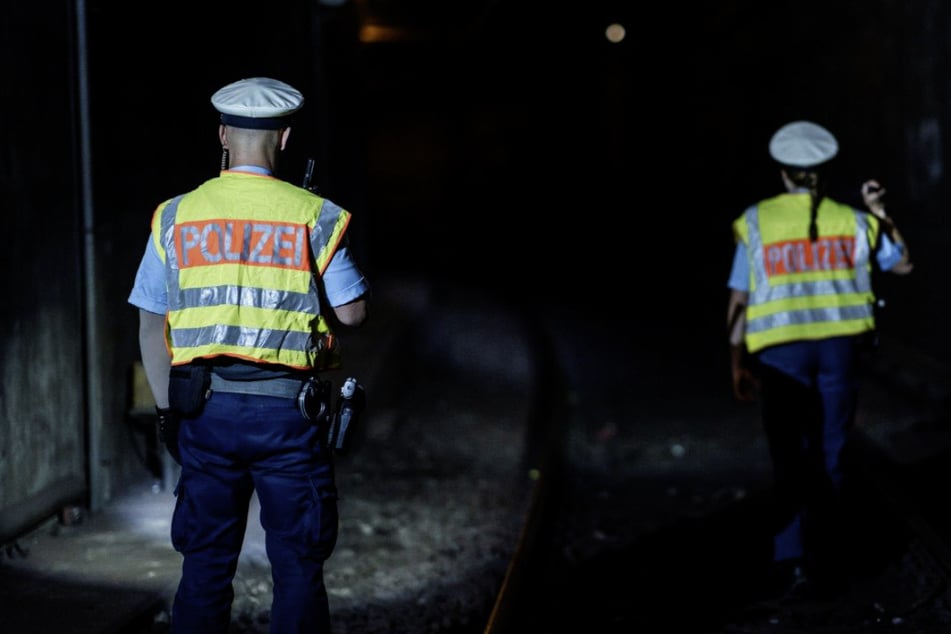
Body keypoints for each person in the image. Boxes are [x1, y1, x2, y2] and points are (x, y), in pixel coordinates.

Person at [128, 76, 370, 633]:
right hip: (289, 418)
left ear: (222, 135)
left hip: (203, 413)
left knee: (205, 566)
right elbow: (353, 314)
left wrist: (168, 412)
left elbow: (149, 325)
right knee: (298, 565)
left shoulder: (175, 215)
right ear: (283, 139)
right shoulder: (314, 214)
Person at [726, 120, 913, 600]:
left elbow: (740, 299)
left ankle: (791, 558)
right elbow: (902, 264)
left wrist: (736, 360)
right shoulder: (853, 221)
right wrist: (879, 210)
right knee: (831, 451)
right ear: (824, 173)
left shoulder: (756, 220)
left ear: (784, 173)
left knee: (789, 452)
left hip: (781, 353)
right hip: (839, 350)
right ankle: (829, 553)